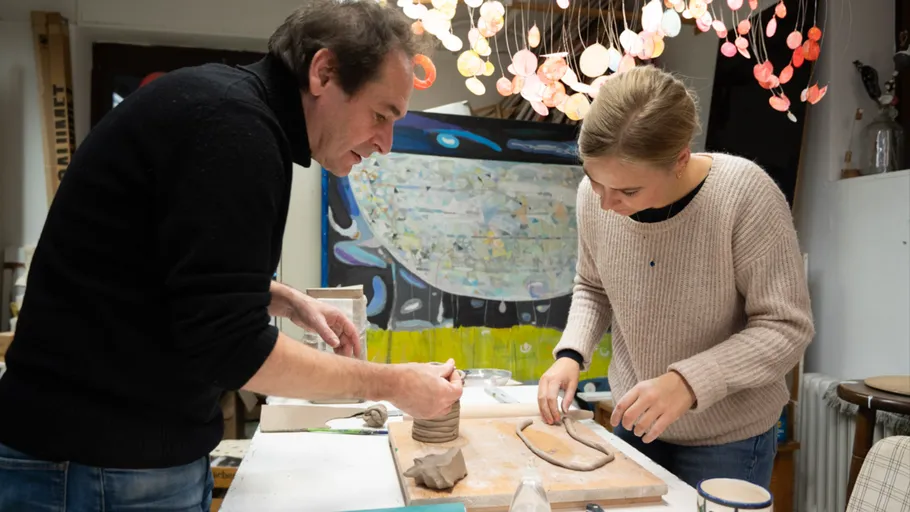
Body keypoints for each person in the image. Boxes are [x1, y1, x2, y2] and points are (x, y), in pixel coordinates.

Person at [0, 1, 462, 509]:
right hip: (93, 467)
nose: (386, 144)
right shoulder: (233, 127)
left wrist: (277, 297)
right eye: (381, 115)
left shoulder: (230, 111)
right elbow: (232, 348)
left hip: (107, 459)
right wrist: (392, 384)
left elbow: (156, 266)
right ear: (324, 72)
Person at [537, 64, 814, 490]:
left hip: (728, 437)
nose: (607, 203)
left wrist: (686, 382)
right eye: (594, 181)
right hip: (636, 421)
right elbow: (593, 286)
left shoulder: (744, 195)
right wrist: (570, 355)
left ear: (680, 159)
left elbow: (787, 327)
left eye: (628, 191)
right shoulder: (596, 199)